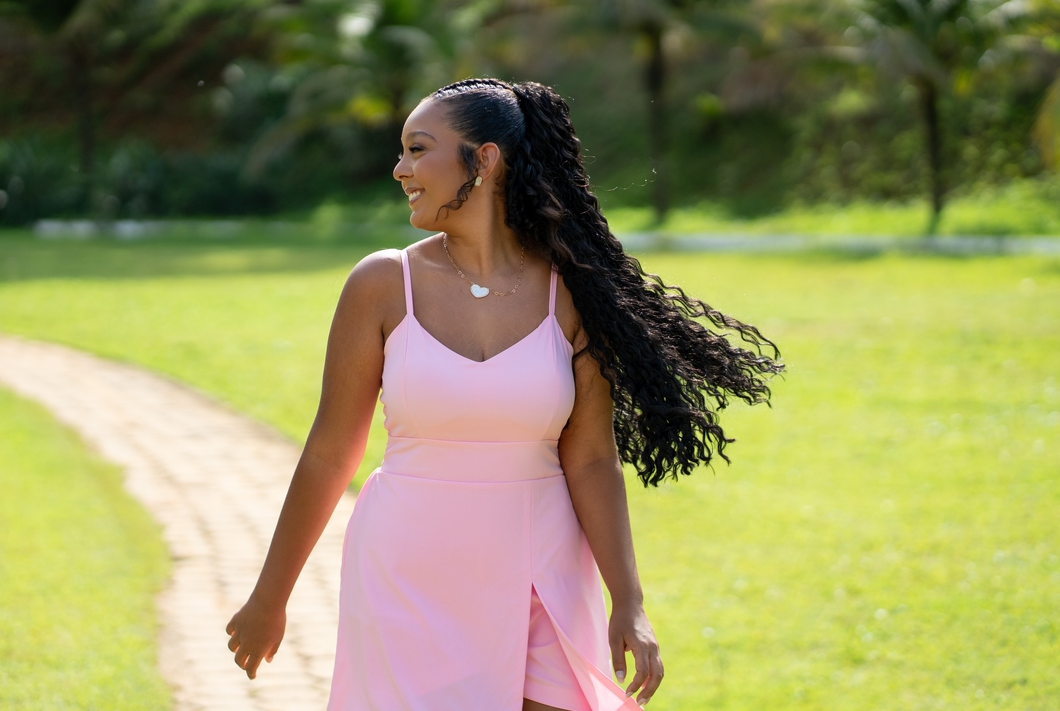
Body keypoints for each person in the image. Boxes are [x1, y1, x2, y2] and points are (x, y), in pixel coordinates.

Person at [225, 79, 782, 710]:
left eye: (417, 149)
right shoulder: (382, 284)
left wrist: (629, 602)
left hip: (544, 568)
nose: (399, 169)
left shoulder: (571, 293)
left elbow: (591, 457)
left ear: (484, 159)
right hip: (409, 570)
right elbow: (330, 452)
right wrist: (271, 596)